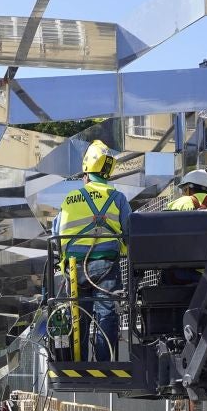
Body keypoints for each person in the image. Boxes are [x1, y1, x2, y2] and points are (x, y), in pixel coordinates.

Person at [51, 139, 130, 361]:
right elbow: (130, 231)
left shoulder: (70, 199)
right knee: (106, 313)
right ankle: (105, 362)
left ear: (86, 173)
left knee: (78, 316)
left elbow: (55, 233)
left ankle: (79, 360)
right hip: (105, 265)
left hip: (74, 270)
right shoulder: (117, 198)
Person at [161, 169, 207, 286]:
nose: (183, 193)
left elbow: (163, 236)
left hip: (181, 273)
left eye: (183, 189)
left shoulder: (176, 204)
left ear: (188, 188)